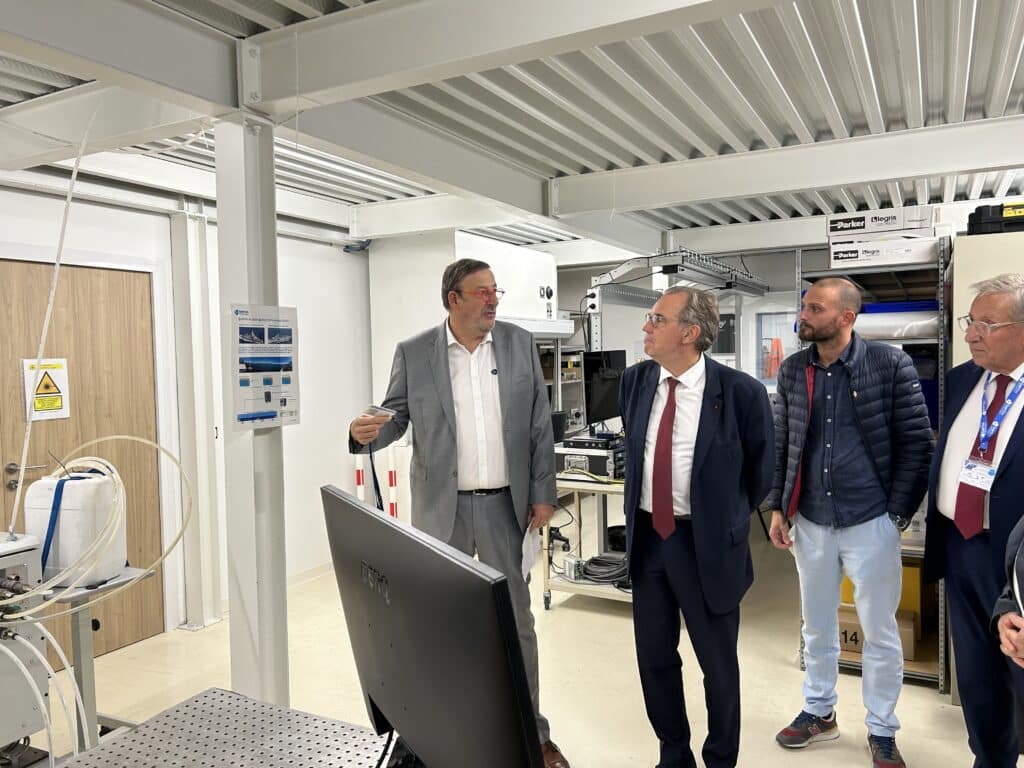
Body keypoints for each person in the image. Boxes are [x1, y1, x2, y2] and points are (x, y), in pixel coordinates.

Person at [348, 258, 570, 768]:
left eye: (495, 291)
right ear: (454, 299)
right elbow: (395, 417)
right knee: (435, 622)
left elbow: (539, 424)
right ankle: (432, 734)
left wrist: (544, 492)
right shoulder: (415, 352)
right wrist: (366, 434)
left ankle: (533, 735)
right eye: (482, 292)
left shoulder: (518, 344)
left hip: (504, 508)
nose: (493, 300)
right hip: (440, 511)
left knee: (517, 623)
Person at [767, 278, 933, 768]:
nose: (804, 315)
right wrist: (778, 506)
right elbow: (783, 443)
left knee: (879, 632)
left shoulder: (889, 364)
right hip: (811, 521)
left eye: (815, 308)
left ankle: (882, 727)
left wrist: (896, 515)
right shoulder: (794, 369)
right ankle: (820, 712)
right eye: (804, 306)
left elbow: (916, 444)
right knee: (816, 626)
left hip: (870, 521)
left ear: (846, 317)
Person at [618, 286, 774, 768]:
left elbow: (760, 472)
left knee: (718, 666)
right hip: (649, 542)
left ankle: (721, 758)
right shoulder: (635, 382)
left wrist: (722, 517)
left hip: (706, 544)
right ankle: (674, 755)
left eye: (657, 320)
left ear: (690, 332)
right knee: (655, 659)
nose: (646, 327)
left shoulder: (741, 392)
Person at [923, 273, 1024, 768]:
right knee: (978, 675)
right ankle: (990, 759)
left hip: (1018, 561)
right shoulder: (964, 379)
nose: (969, 334)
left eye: (987, 324)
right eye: (970, 321)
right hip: (961, 547)